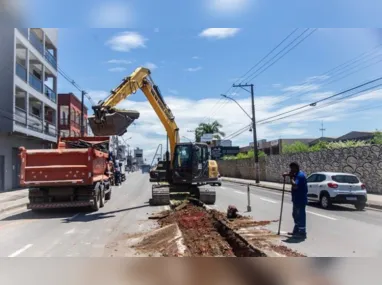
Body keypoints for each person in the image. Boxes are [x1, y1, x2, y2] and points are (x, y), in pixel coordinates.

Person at [283, 162, 308, 239]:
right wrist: (286, 174)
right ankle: (296, 230)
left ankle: (302, 232)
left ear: (295, 168)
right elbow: (292, 175)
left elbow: (295, 186)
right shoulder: (296, 174)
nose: (291, 170)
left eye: (292, 168)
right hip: (296, 199)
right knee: (295, 215)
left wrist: (290, 178)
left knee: (300, 215)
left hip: (300, 199)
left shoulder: (300, 176)